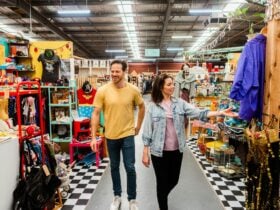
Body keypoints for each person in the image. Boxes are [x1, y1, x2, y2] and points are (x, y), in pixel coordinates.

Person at [141, 74, 237, 210]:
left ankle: (162, 195)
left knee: (174, 180)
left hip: (176, 150)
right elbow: (147, 130)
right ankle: (163, 205)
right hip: (158, 152)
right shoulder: (153, 106)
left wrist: (220, 112)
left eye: (173, 83)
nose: (173, 86)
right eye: (169, 84)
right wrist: (145, 151)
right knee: (161, 182)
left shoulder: (180, 103)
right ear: (160, 86)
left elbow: (199, 113)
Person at [90, 60, 145, 210]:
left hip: (127, 134)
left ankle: (132, 200)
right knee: (114, 167)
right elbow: (95, 114)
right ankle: (117, 196)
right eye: (112, 71)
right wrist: (94, 137)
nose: (113, 74)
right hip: (111, 135)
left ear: (124, 72)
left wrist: (138, 126)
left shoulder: (133, 90)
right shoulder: (103, 90)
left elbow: (142, 107)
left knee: (130, 167)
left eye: (117, 71)